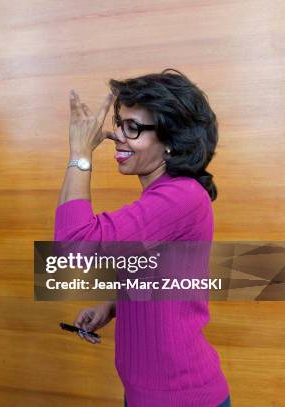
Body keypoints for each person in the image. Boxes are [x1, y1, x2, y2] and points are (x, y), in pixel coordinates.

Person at [54, 70, 230, 406]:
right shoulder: (167, 197)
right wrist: (113, 305)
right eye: (120, 122)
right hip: (149, 396)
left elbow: (71, 249)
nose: (116, 135)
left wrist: (80, 154)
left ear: (171, 142)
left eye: (132, 127)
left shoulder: (181, 198)